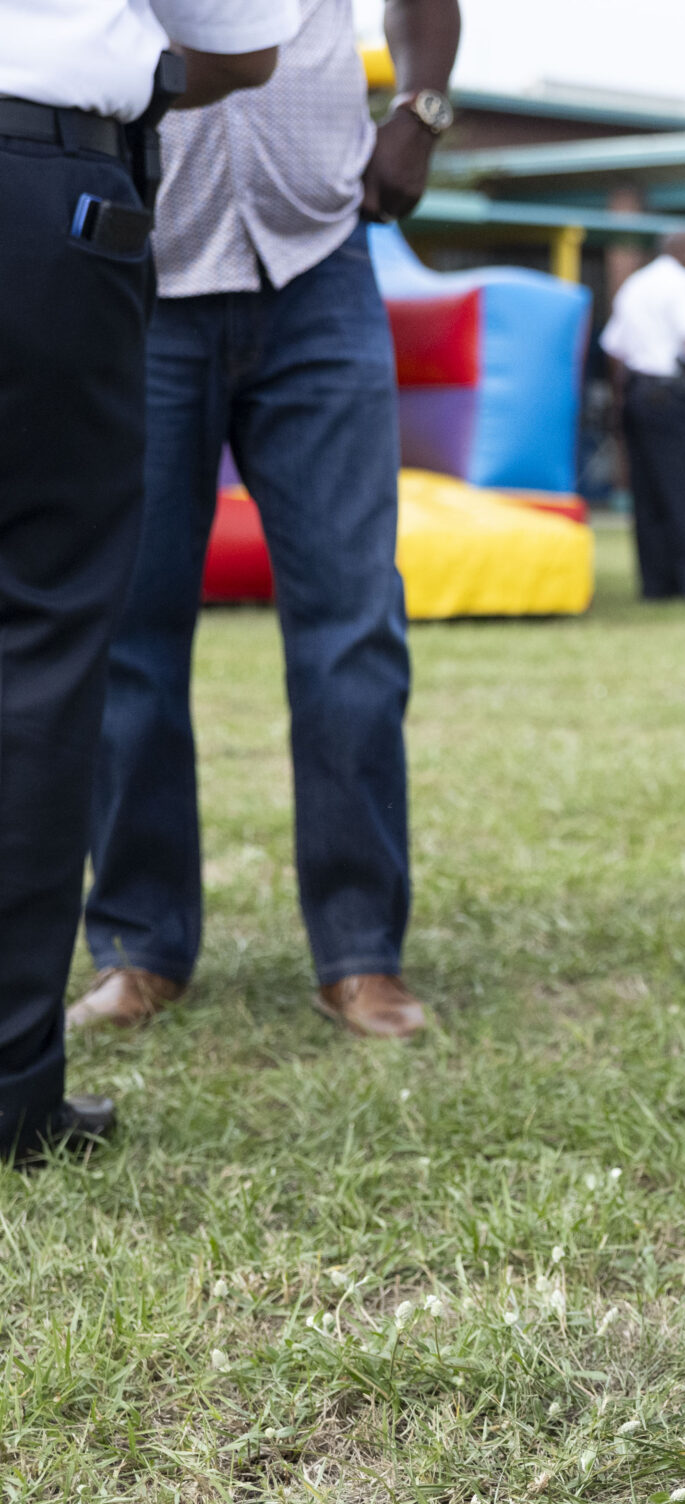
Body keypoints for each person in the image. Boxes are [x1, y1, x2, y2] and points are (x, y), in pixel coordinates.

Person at [68, 0, 455, 1046]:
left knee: (352, 624)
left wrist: (421, 108)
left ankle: (360, 950)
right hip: (141, 263)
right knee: (129, 630)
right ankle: (141, 944)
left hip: (320, 258)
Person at [1, 0, 292, 1161]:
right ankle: (12, 1083)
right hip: (42, 187)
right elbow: (248, 40)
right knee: (43, 628)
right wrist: (152, 71)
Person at [600, 231, 685, 604]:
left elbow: (615, 348)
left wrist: (621, 397)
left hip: (638, 394)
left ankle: (655, 586)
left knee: (648, 494)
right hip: (673, 397)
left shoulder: (635, 284)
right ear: (682, 250)